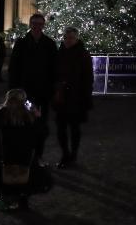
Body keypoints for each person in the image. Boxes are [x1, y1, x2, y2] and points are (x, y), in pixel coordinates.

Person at [0, 89, 53, 211]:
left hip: (4, 155)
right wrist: (37, 115)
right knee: (29, 177)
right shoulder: (29, 117)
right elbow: (43, 133)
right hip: (25, 156)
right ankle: (22, 200)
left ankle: (5, 196)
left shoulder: (0, 116)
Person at [9, 13, 57, 165]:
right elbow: (13, 69)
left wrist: (52, 90)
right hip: (26, 94)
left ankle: (38, 155)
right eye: (34, 24)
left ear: (43, 26)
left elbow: (54, 70)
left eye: (40, 24)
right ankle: (26, 155)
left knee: (41, 125)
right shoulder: (21, 44)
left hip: (43, 93)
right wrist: (13, 92)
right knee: (26, 124)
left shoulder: (49, 44)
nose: (37, 27)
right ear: (30, 25)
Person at [53, 27, 93, 168]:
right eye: (66, 37)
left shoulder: (83, 54)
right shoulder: (59, 53)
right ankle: (65, 154)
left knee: (74, 128)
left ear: (76, 39)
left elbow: (88, 79)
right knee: (61, 128)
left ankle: (73, 155)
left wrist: (86, 98)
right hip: (61, 96)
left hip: (76, 97)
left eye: (71, 38)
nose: (68, 40)